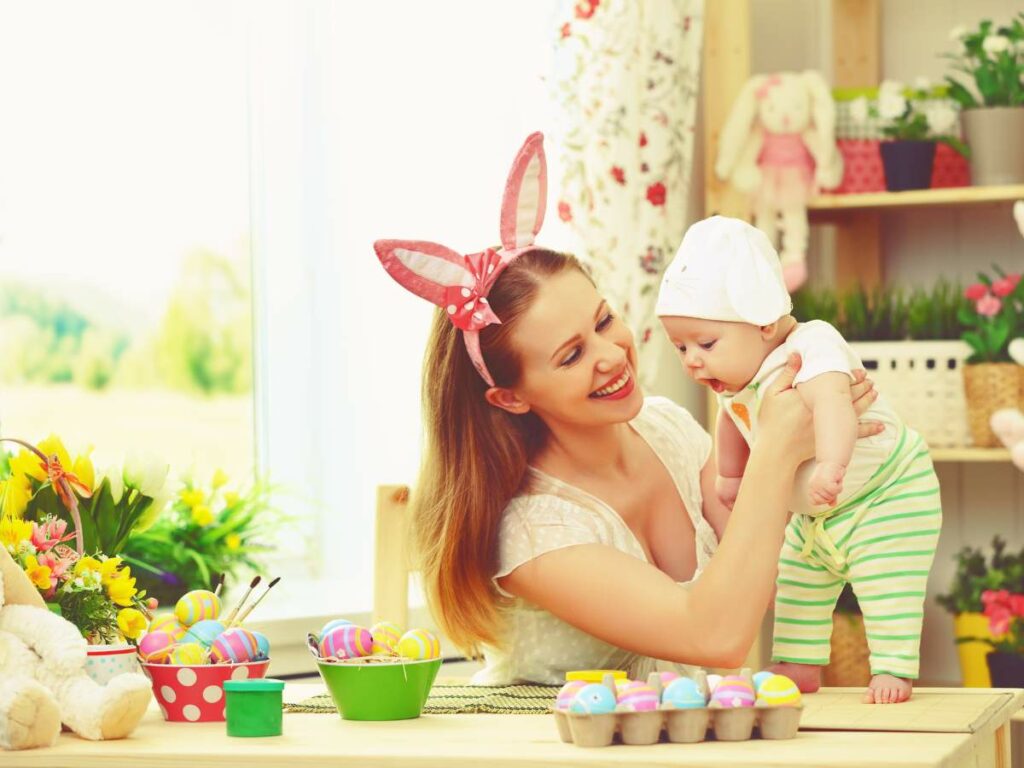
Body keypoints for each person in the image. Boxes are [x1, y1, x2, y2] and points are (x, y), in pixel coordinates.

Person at [373, 133, 881, 686]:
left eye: (603, 320)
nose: (613, 354)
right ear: (510, 397)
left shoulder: (666, 428)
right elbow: (716, 636)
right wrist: (778, 450)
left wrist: (813, 429)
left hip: (681, 741)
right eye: (572, 355)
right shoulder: (529, 526)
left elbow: (757, 577)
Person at [656, 215, 941, 704]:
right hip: (817, 513)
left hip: (887, 493)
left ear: (766, 322)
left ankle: (893, 665)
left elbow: (833, 401)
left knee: (886, 582)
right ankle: (797, 661)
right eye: (680, 347)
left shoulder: (810, 344)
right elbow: (734, 420)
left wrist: (832, 464)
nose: (692, 361)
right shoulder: (738, 378)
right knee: (796, 581)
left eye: (705, 343)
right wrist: (731, 475)